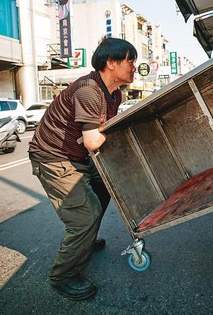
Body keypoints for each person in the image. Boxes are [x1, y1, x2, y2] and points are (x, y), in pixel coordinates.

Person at [28, 37, 137, 301]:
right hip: (53, 158)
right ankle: (63, 276)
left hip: (76, 156)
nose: (135, 67)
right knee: (84, 217)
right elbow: (93, 140)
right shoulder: (89, 90)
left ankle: (85, 240)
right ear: (110, 63)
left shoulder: (114, 93)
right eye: (130, 61)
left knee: (105, 184)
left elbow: (101, 132)